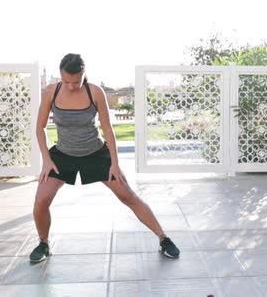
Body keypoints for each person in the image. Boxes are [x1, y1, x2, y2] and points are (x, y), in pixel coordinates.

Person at [29, 53, 180, 262]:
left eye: (76, 81)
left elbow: (108, 129)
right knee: (41, 200)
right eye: (66, 81)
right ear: (60, 75)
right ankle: (43, 243)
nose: (71, 86)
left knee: (127, 195)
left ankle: (164, 239)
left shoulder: (95, 92)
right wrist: (46, 160)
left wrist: (115, 164)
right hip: (62, 155)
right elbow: (40, 128)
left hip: (95, 153)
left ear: (84, 74)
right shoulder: (50, 92)